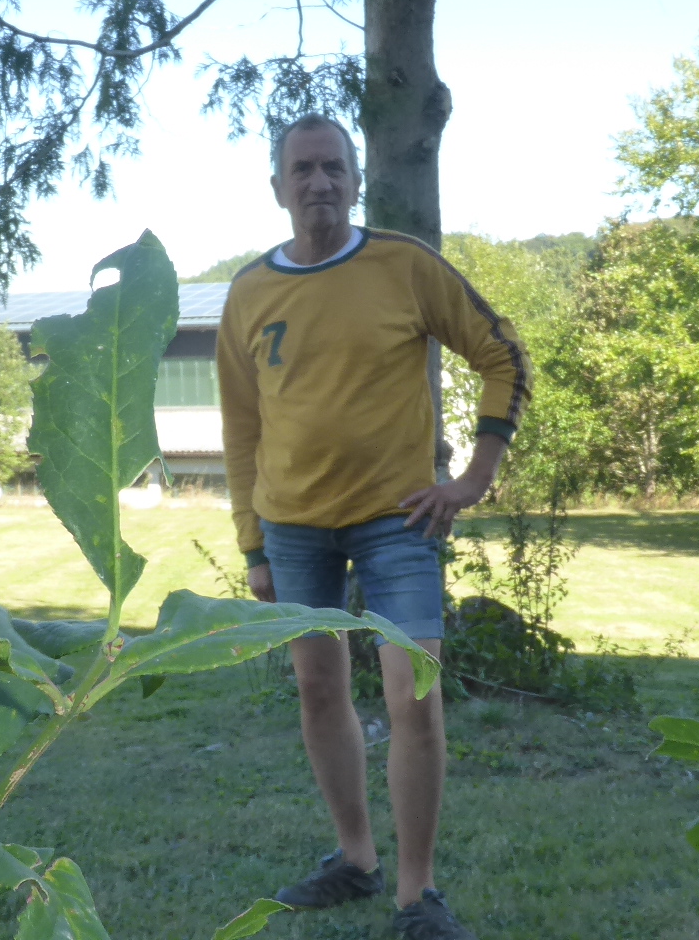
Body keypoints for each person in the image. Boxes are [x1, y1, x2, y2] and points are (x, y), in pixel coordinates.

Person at [216, 113, 531, 940]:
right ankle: (355, 860)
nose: (319, 182)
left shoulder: (405, 265)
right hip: (291, 530)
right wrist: (253, 545)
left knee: (414, 696)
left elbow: (502, 355)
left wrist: (473, 478)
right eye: (303, 169)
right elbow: (241, 428)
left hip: (399, 523)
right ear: (278, 187)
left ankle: (416, 896)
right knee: (320, 692)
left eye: (334, 167)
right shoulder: (249, 292)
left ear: (356, 181)